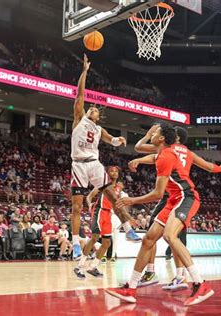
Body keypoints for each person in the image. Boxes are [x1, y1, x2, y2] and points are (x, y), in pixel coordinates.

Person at [106, 123, 221, 306]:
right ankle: (131, 288)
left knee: (170, 235)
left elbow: (157, 194)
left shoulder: (167, 155)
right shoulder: (167, 153)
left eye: (155, 132)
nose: (152, 133)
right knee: (148, 240)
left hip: (186, 197)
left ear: (162, 138)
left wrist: (132, 200)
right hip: (173, 200)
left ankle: (200, 284)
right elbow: (206, 166)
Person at [129, 125, 221, 290]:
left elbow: (141, 149)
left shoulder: (167, 151)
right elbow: (209, 167)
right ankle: (177, 276)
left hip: (175, 193)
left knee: (167, 236)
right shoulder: (188, 152)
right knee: (168, 237)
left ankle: (186, 279)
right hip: (177, 192)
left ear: (173, 138)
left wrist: (145, 142)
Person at [69, 54, 140, 259]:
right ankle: (75, 244)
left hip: (94, 164)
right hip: (78, 165)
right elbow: (79, 95)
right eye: (90, 108)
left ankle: (128, 229)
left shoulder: (100, 130)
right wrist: (84, 72)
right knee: (76, 206)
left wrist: (120, 140)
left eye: (94, 109)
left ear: (98, 116)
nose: (91, 108)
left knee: (113, 196)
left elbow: (113, 140)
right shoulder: (78, 120)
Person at [74, 166, 126, 279]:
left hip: (108, 214)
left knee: (107, 242)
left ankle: (93, 266)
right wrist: (89, 204)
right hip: (99, 211)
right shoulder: (103, 184)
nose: (114, 172)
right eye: (112, 171)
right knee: (94, 238)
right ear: (107, 173)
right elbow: (89, 196)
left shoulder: (119, 187)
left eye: (116, 171)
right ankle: (79, 266)